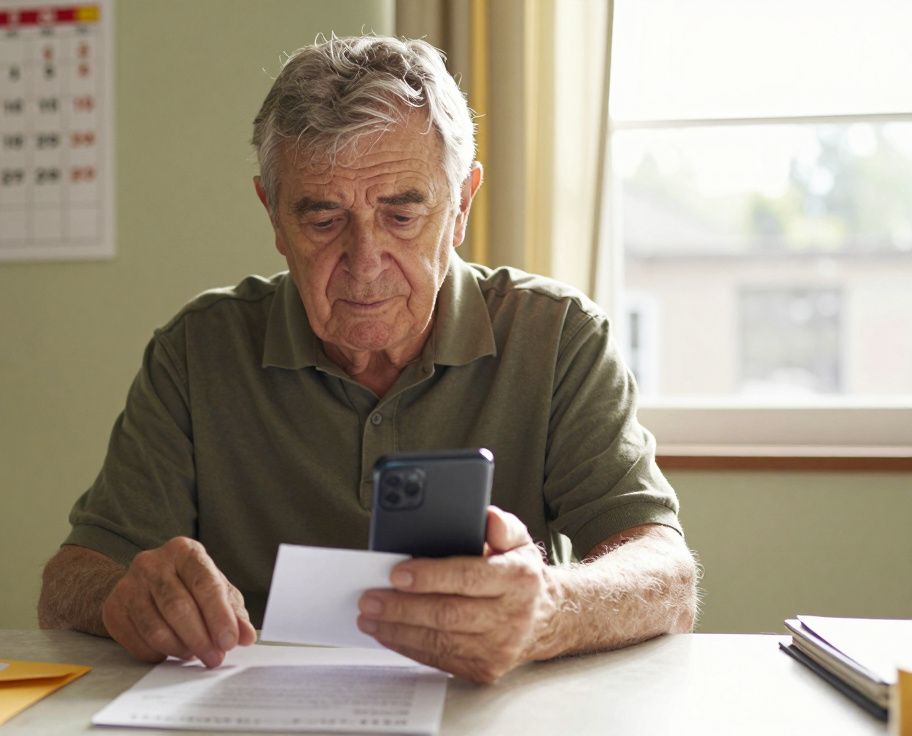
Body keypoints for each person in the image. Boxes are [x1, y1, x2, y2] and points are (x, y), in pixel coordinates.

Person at [38, 35, 698, 684]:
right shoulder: (198, 349)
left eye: (402, 216)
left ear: (461, 204)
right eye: (323, 220)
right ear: (273, 215)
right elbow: (69, 581)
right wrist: (125, 594)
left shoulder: (559, 338)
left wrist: (550, 607)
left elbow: (664, 574)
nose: (365, 262)